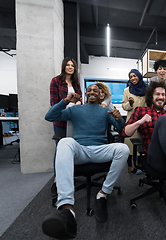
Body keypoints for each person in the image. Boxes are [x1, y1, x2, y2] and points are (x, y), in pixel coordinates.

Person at [42, 85, 129, 239]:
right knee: (64, 142)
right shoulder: (75, 109)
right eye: (89, 90)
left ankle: (103, 194)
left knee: (123, 149)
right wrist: (65, 101)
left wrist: (118, 118)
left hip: (100, 150)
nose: (92, 92)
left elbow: (121, 130)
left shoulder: (105, 110)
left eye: (96, 90)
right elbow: (49, 117)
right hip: (80, 150)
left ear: (101, 95)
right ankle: (67, 209)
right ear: (85, 94)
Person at [49, 57, 82, 196]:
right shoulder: (56, 81)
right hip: (61, 120)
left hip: (74, 119)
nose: (70, 67)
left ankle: (70, 177)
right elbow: (53, 104)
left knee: (73, 148)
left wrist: (78, 103)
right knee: (60, 150)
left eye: (72, 65)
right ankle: (57, 180)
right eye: (67, 65)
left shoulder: (75, 82)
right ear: (64, 67)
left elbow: (80, 98)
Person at [122, 69, 147, 174]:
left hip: (145, 120)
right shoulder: (127, 90)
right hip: (132, 120)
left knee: (143, 142)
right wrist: (130, 103)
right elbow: (124, 106)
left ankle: (141, 163)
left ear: (139, 76)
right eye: (130, 77)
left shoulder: (147, 89)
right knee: (130, 144)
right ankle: (130, 165)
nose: (132, 78)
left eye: (134, 76)